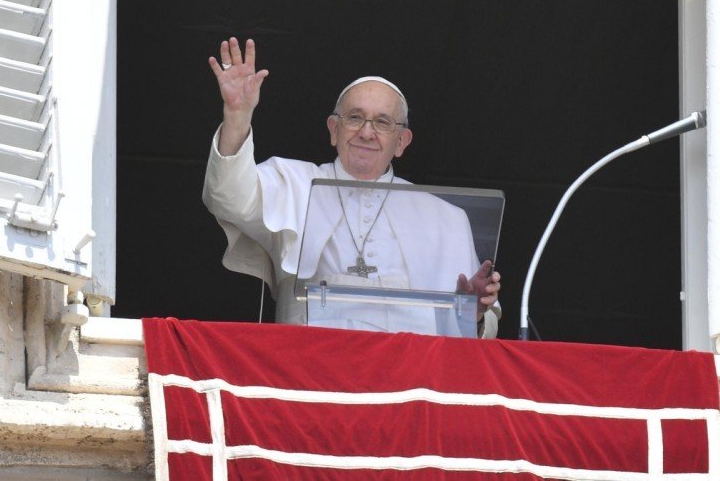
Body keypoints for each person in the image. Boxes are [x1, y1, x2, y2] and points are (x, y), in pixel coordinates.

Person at [202, 37, 502, 337]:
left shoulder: (445, 218)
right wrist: (237, 117)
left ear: (402, 142)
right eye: (355, 118)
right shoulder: (291, 182)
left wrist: (473, 312)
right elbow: (227, 196)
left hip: (409, 375)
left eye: (383, 123)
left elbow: (479, 336)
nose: (367, 133)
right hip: (307, 368)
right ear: (334, 129)